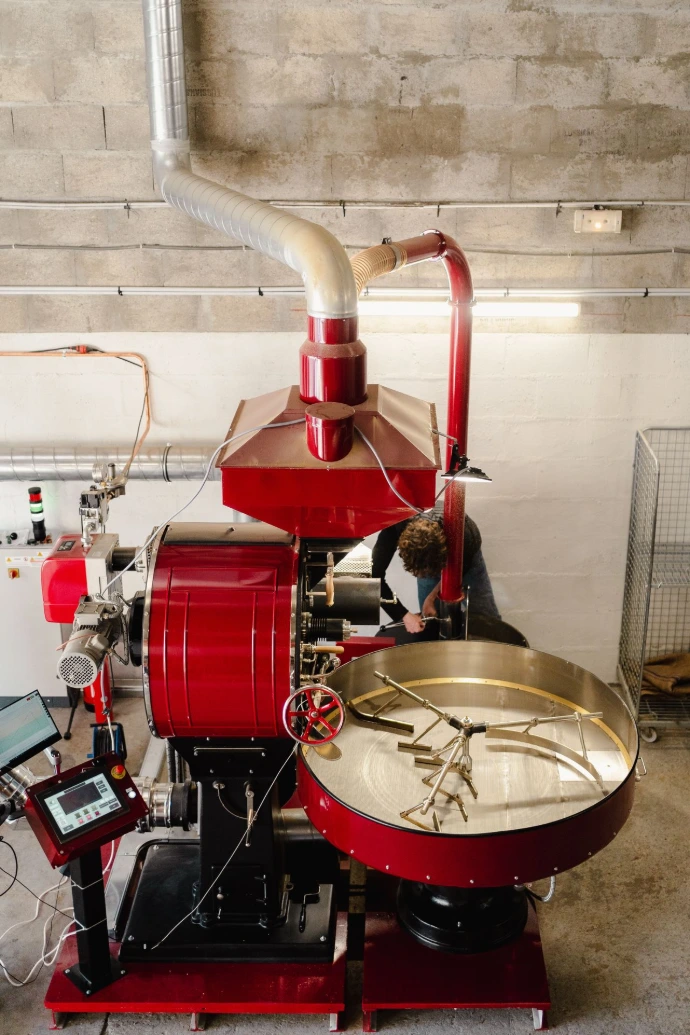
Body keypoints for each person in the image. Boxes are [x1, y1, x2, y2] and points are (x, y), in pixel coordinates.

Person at [371, 507, 499, 636]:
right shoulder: (395, 524)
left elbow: (458, 574)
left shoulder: (465, 536)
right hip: (431, 552)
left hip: (465, 560)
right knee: (431, 623)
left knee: (487, 622)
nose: (423, 576)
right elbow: (373, 576)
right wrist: (404, 615)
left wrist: (432, 596)